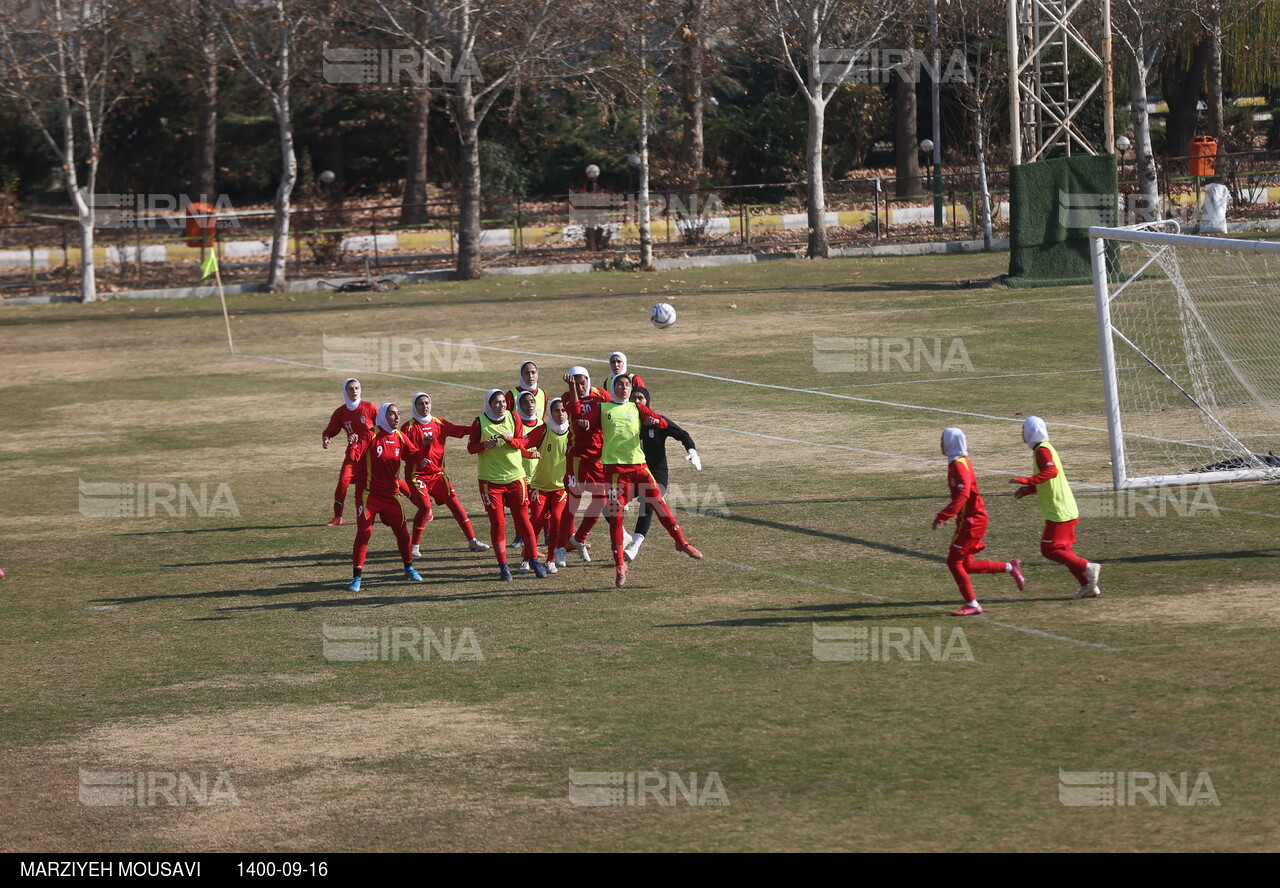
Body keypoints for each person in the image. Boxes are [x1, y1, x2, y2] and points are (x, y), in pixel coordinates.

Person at [600, 374, 702, 587]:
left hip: (641, 468)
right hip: (616, 472)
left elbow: (662, 421)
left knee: (657, 504)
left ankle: (681, 542)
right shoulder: (603, 409)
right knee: (615, 515)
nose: (624, 388)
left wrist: (658, 421)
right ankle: (620, 565)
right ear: (612, 387)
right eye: (620, 385)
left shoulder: (636, 409)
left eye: (627, 385)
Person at [932, 428, 1025, 616]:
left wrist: (944, 515)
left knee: (954, 562)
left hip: (972, 520)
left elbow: (964, 494)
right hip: (970, 518)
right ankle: (1010, 567)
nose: (940, 444)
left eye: (942, 440)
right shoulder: (958, 462)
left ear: (950, 442)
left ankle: (973, 604)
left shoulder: (959, 465)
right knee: (965, 564)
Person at [1010, 416, 1103, 599]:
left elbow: (1051, 472)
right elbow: (1048, 478)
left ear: (1031, 432)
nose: (1022, 433)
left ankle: (1088, 567)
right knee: (1065, 552)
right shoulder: (1042, 449)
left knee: (1049, 549)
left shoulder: (1042, 451)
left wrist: (1027, 480)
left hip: (1059, 510)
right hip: (1063, 507)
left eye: (1023, 430)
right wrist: (1030, 489)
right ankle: (1088, 586)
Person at [466, 389, 547, 581]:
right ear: (489, 405)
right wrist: (483, 445)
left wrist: (512, 441)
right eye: (497, 403)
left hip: (515, 479)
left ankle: (533, 559)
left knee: (523, 520)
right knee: (498, 523)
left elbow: (522, 442)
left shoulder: (514, 417)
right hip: (490, 482)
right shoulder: (479, 422)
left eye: (503, 402)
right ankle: (503, 566)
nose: (501, 405)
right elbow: (470, 448)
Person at [400, 391, 490, 558]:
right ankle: (414, 546)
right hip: (417, 476)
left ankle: (472, 540)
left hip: (438, 475)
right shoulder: (408, 427)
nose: (425, 406)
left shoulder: (439, 423)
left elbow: (458, 430)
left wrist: (481, 427)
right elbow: (404, 453)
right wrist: (420, 456)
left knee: (455, 503)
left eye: (427, 403)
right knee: (425, 507)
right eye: (421, 404)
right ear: (415, 406)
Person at [346, 402, 424, 593]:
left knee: (402, 532)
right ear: (383, 416)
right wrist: (352, 445)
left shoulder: (399, 436)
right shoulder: (371, 434)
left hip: (391, 494)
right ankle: (356, 577)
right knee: (364, 533)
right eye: (392, 414)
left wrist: (426, 450)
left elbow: (414, 455)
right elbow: (355, 457)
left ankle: (409, 568)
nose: (397, 417)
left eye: (398, 414)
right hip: (368, 494)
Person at [625, 385, 701, 562]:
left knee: (648, 502)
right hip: (633, 473)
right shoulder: (626, 422)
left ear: (647, 402)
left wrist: (692, 450)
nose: (636, 401)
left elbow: (682, 434)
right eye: (633, 398)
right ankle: (622, 536)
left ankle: (634, 547)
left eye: (640, 398)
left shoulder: (657, 421)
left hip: (657, 473)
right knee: (607, 502)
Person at [556, 366, 611, 567]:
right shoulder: (566, 396)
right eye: (576, 383)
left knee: (601, 500)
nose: (580, 387)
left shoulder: (600, 395)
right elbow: (577, 412)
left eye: (582, 383)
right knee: (573, 503)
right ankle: (560, 548)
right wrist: (571, 388)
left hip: (597, 458)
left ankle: (578, 539)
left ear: (588, 380)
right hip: (577, 457)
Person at [321, 377, 377, 526]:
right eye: (351, 389)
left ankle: (421, 505)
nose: (354, 391)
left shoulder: (369, 407)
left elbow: (384, 426)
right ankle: (338, 517)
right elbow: (330, 430)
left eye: (357, 388)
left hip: (371, 456)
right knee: (343, 481)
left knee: (390, 481)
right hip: (353, 454)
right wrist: (326, 439)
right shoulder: (340, 412)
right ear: (345, 391)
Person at [525, 397, 571, 575]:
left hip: (561, 488)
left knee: (557, 522)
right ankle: (527, 558)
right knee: (535, 521)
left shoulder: (572, 432)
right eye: (556, 410)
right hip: (540, 487)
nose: (560, 414)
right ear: (550, 413)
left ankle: (551, 559)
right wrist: (528, 454)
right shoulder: (543, 430)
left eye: (563, 410)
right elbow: (523, 444)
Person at [513, 390, 544, 573]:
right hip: (521, 477)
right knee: (525, 518)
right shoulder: (516, 424)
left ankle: (530, 553)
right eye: (525, 402)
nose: (530, 405)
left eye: (532, 401)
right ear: (519, 405)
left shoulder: (542, 424)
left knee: (538, 517)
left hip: (539, 478)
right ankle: (527, 557)